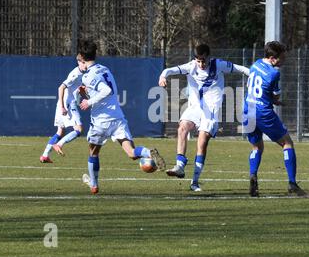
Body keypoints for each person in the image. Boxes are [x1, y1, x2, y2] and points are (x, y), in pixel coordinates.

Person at [77, 39, 166, 194]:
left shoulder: (88, 76)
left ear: (83, 61)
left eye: (78, 62)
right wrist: (87, 92)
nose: (78, 65)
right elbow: (104, 88)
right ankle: (147, 152)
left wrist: (88, 101)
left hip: (101, 120)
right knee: (131, 153)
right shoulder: (104, 69)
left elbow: (106, 91)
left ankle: (94, 184)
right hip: (117, 117)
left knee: (93, 153)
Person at [158, 44, 250, 191]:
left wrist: (253, 76)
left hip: (211, 111)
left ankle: (194, 182)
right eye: (198, 60)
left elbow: (241, 69)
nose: (201, 64)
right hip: (194, 108)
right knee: (182, 129)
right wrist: (162, 77)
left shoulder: (219, 64)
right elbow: (169, 70)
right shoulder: (191, 66)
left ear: (209, 57)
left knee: (201, 142)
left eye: (203, 60)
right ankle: (180, 166)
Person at [243, 41, 306, 197]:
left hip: (247, 110)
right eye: (281, 58)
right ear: (272, 58)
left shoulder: (255, 65)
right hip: (263, 112)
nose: (283, 61)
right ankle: (292, 183)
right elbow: (275, 95)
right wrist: (274, 100)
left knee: (257, 147)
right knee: (287, 143)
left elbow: (251, 88)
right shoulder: (274, 73)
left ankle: (253, 176)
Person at [39, 64, 84, 163]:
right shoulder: (76, 74)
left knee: (60, 132)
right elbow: (61, 88)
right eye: (83, 62)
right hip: (68, 104)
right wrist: (63, 106)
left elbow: (77, 89)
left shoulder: (83, 73)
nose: (86, 65)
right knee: (79, 129)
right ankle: (59, 144)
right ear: (79, 62)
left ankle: (45, 155)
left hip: (62, 104)